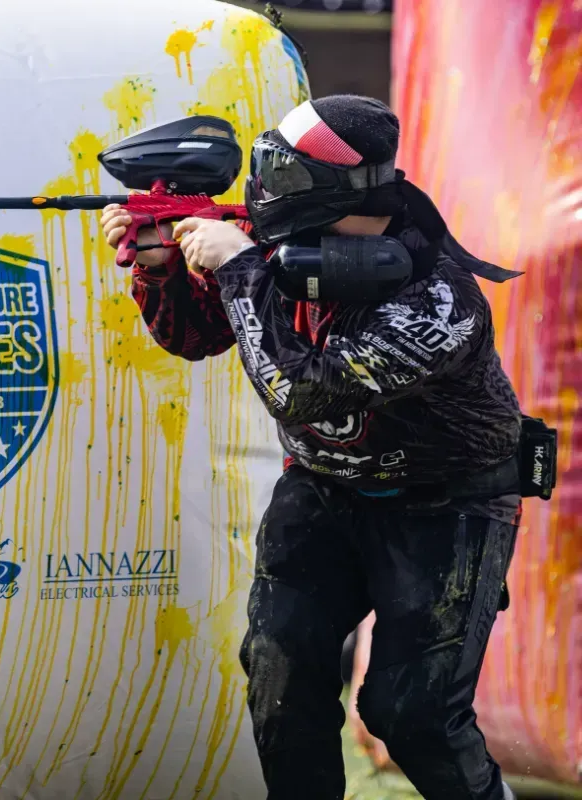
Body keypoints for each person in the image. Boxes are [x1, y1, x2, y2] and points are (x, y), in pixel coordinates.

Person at [100, 95, 524, 800]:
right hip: (323, 491)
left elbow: (301, 393)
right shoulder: (280, 252)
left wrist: (240, 272)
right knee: (281, 682)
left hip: (448, 507)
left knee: (411, 713)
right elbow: (198, 337)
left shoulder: (437, 302)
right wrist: (161, 267)